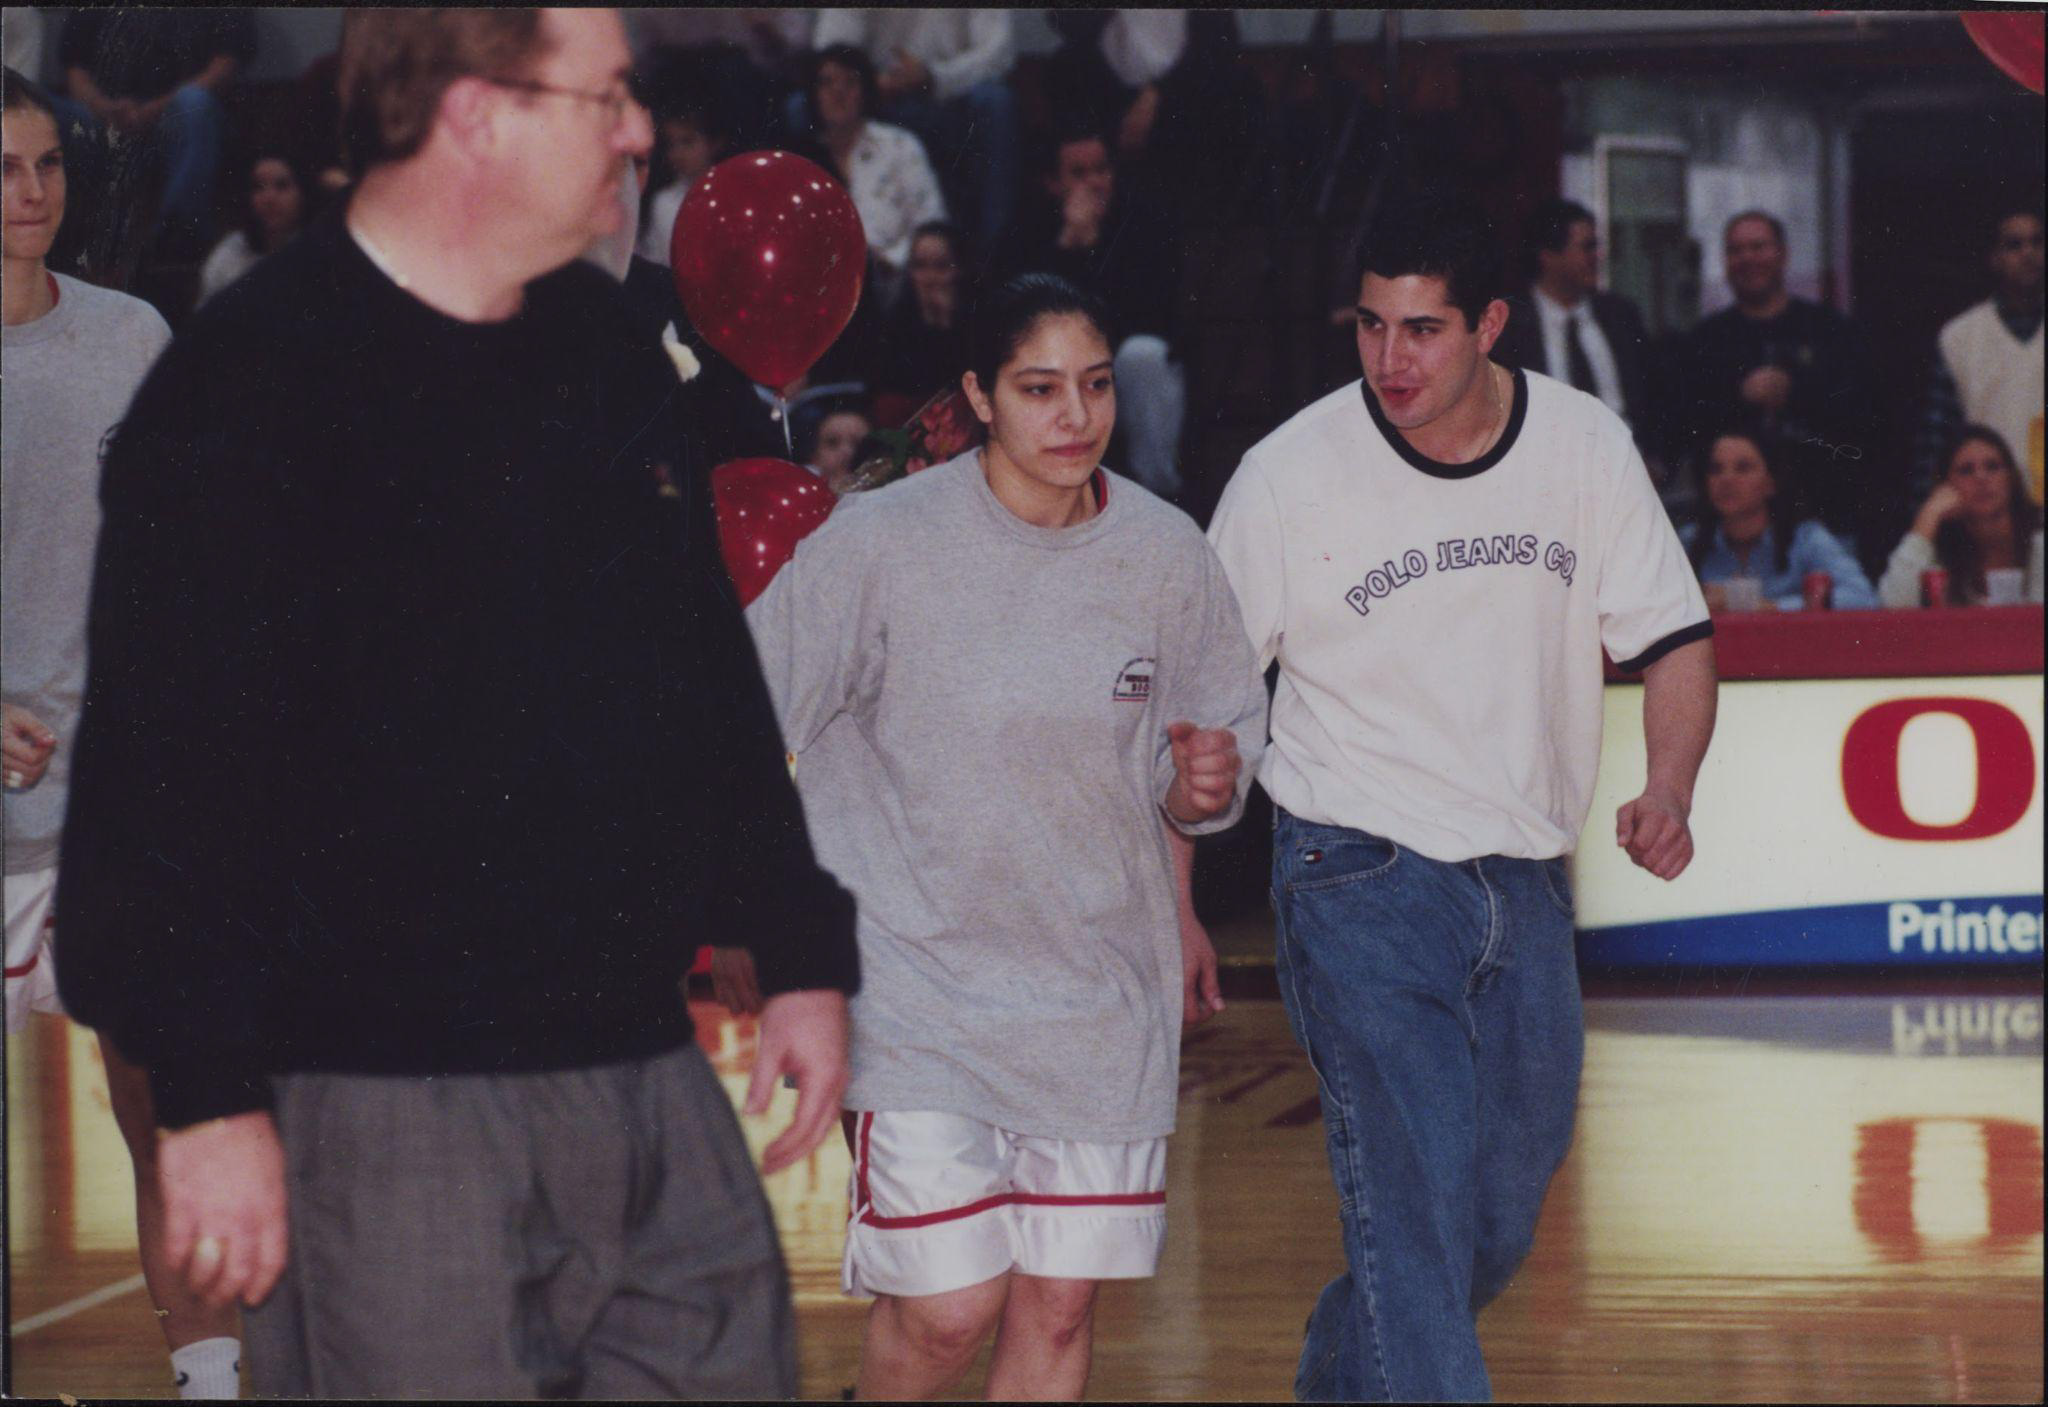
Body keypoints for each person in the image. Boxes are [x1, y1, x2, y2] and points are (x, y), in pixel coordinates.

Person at [52, 11, 859, 1398]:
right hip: (379, 1109)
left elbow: (699, 675)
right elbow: (158, 782)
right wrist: (207, 1097)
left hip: (644, 1072)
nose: (636, 132)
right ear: (477, 116)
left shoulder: (610, 350)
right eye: (603, 97)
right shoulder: (247, 378)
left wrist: (794, 940)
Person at [1206, 186, 1718, 1402]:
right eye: (1369, 325)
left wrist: (1668, 786)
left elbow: (1674, 640)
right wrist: (1174, 888)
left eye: (1421, 329)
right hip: (1355, 874)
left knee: (1486, 1221)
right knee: (1411, 1203)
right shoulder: (1283, 477)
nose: (1390, 358)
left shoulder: (1581, 443)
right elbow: (1198, 704)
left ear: (1489, 323)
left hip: (1525, 880)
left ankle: (1338, 1381)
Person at [743, 272, 1267, 1401]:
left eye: (1095, 386)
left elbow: (1206, 756)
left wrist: (1201, 789)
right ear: (978, 396)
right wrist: (756, 923)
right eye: (1039, 389)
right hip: (914, 985)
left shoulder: (1166, 553)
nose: (1076, 417)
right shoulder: (877, 544)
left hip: (1096, 997)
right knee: (947, 1308)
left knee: (1059, 1305)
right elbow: (737, 721)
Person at [3, 63, 245, 1403]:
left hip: (122, 807)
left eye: (46, 164)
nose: (30, 192)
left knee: (168, 1115)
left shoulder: (131, 337)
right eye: (3, 169)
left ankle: (211, 1382)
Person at [991, 124, 1185, 501]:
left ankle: (1159, 496)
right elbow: (1021, 321)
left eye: (1101, 170)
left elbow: (1150, 317)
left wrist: (1094, 250)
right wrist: (1068, 248)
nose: (1094, 183)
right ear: (1053, 183)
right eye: (1079, 173)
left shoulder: (1143, 223)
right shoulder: (1027, 230)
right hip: (1054, 374)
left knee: (1145, 356)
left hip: (1120, 370)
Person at [1669, 210, 1876, 546]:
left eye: (1758, 247)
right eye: (1736, 250)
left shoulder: (1829, 330)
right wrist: (1740, 395)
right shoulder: (1705, 341)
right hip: (1732, 532)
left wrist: (1796, 391)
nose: (1747, 259)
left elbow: (1861, 415)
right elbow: (1686, 425)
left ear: (1783, 254)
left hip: (1826, 521)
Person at [803, 10, 1018, 255]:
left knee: (996, 102)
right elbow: (831, 45)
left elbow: (998, 51)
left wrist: (934, 76)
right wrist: (870, 80)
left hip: (951, 96)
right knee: (802, 105)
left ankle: (994, 254)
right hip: (877, 95)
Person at [55, 9, 255, 267]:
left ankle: (176, 237)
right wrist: (105, 108)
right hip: (106, 121)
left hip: (180, 122)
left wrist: (154, 109)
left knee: (193, 103)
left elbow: (224, 68)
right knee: (50, 112)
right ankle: (55, 243)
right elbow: (76, 73)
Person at [1493, 198, 1655, 465]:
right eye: (1587, 247)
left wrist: (1655, 461)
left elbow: (1652, 398)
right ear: (1548, 256)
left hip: (1624, 467)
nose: (1597, 257)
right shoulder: (1508, 328)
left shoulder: (1620, 316)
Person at [1916, 210, 2044, 504]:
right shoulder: (1960, 338)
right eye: (2014, 245)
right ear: (1994, 259)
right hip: (1985, 514)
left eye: (2037, 242)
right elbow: (1935, 444)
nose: (2028, 254)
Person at [794, 43, 947, 285]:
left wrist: (889, 261)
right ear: (813, 94)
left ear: (865, 91)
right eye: (826, 82)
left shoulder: (900, 145)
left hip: (896, 281)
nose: (838, 92)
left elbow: (931, 222)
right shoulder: (801, 160)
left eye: (850, 82)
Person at [1680, 424, 1878, 611]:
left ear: (1771, 482)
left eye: (1743, 468)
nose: (1726, 479)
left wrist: (1769, 606)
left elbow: (1863, 596)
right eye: (1715, 469)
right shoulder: (1686, 542)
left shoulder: (1806, 538)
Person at [1879, 425, 2045, 608]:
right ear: (1946, 486)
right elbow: (1894, 606)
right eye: (1966, 470)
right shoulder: (1938, 551)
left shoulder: (2039, 538)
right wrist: (1928, 515)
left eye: (1992, 467)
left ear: (2011, 478)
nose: (1981, 477)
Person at [872, 219, 972, 425]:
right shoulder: (893, 325)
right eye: (920, 266)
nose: (930, 278)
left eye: (941, 266)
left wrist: (946, 324)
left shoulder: (979, 323)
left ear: (960, 269)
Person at [195, 149, 312, 308]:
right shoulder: (228, 254)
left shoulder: (316, 253)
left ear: (303, 194)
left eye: (281, 186)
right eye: (258, 187)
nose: (269, 198)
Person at [633, 94, 734, 268]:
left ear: (714, 143)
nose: (677, 154)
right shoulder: (664, 202)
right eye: (671, 144)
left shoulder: (732, 194)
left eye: (687, 142)